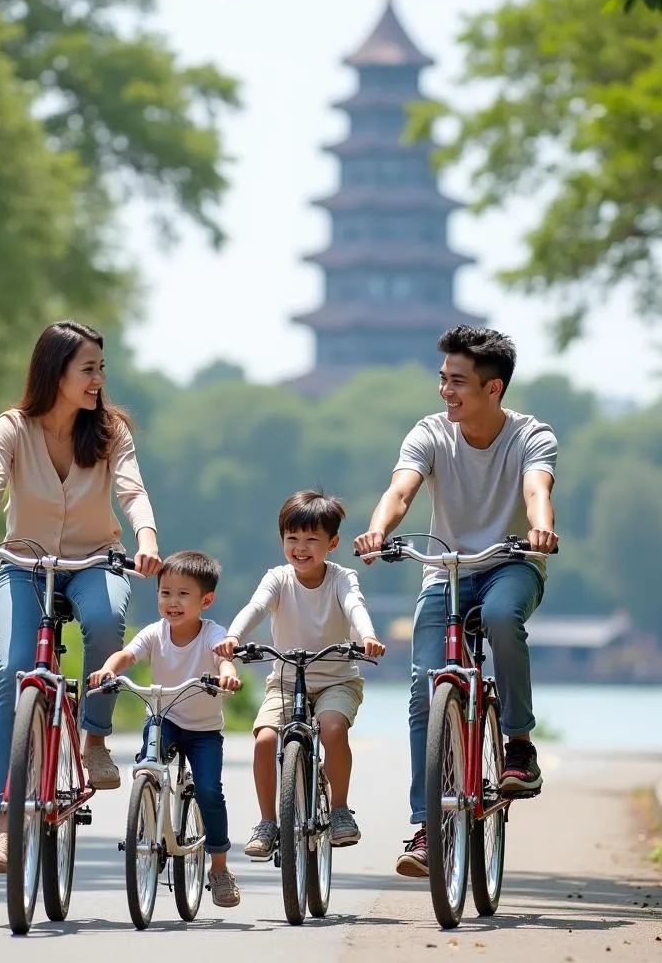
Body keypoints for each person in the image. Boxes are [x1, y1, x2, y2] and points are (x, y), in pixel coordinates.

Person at [0, 320, 163, 874]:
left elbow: (131, 490)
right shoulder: (12, 428)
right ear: (56, 371)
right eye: (87, 368)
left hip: (94, 560)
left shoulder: (110, 431)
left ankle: (93, 738)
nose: (98, 379)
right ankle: (2, 826)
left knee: (106, 619)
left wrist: (146, 540)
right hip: (22, 562)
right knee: (15, 670)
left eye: (100, 368)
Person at [353, 325, 559, 878]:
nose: (446, 391)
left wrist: (540, 530)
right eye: (442, 379)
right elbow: (401, 489)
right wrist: (377, 531)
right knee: (426, 690)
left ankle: (517, 746)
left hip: (511, 563)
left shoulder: (530, 436)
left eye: (458, 382)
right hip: (446, 571)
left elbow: (537, 489)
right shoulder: (430, 433)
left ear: (493, 389)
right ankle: (427, 826)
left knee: (499, 617)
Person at [215, 490, 386, 859]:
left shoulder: (342, 579)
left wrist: (367, 636)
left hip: (336, 679)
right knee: (263, 740)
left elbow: (354, 607)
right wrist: (233, 636)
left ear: (333, 543)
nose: (301, 547)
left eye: (312, 539)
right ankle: (266, 822)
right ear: (282, 542)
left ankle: (339, 809)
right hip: (286, 679)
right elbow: (256, 606)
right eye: (292, 539)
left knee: (333, 728)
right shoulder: (278, 579)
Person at [88, 550, 243, 908]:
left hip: (204, 731)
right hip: (164, 718)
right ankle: (148, 815)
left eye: (182, 594)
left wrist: (228, 676)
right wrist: (110, 669)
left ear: (206, 600)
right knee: (148, 764)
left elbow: (224, 660)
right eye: (165, 593)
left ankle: (219, 868)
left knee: (208, 791)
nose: (172, 602)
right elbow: (126, 654)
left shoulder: (212, 634)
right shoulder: (155, 633)